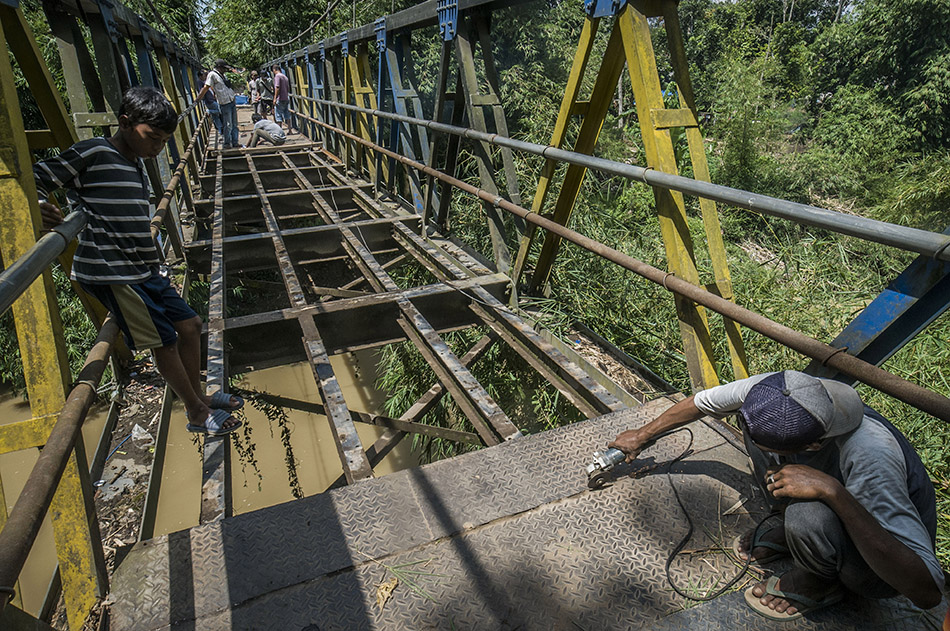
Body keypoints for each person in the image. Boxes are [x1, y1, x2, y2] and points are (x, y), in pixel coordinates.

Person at [609, 370, 944, 622]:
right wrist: (642, 435)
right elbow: (702, 403)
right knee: (763, 445)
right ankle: (798, 534)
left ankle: (819, 582)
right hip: (835, 497)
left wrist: (832, 492)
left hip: (877, 571)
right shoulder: (777, 392)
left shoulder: (871, 456)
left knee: (807, 516)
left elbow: (927, 591)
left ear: (813, 445)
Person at [33, 86, 243, 437]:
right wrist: (39, 205)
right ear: (125, 123)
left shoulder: (134, 161)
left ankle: (198, 396)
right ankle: (195, 411)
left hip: (142, 268)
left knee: (190, 324)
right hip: (113, 272)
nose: (157, 148)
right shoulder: (94, 151)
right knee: (165, 340)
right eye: (153, 138)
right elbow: (36, 176)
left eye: (163, 142)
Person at [196, 59, 239, 149]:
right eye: (224, 68)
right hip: (224, 103)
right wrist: (198, 99)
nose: (225, 70)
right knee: (228, 124)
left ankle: (235, 142)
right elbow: (206, 87)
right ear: (219, 67)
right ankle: (227, 143)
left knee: (234, 124)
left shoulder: (223, 75)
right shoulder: (212, 75)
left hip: (231, 101)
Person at [197, 70, 222, 135]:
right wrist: (198, 98)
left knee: (216, 117)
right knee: (219, 111)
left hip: (212, 99)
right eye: (204, 75)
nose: (205, 76)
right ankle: (209, 111)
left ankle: (220, 130)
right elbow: (202, 91)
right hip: (209, 101)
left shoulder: (205, 81)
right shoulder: (200, 82)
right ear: (200, 76)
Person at [272, 64, 295, 132]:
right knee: (287, 115)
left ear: (274, 70)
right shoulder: (285, 77)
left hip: (280, 98)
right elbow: (288, 88)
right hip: (286, 97)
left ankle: (279, 131)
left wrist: (275, 98)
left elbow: (277, 87)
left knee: (278, 115)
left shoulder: (277, 76)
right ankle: (290, 130)